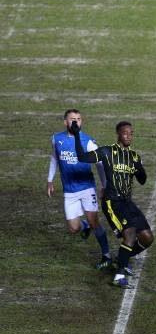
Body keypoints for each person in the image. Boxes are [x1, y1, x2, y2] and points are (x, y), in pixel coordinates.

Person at [71, 120, 153, 289]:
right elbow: (82, 157)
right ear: (118, 134)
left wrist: (140, 169)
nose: (129, 136)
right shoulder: (106, 151)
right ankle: (119, 275)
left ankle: (120, 260)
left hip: (128, 203)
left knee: (147, 238)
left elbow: (143, 180)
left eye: (131, 133)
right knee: (129, 235)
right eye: (125, 133)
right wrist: (77, 134)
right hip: (112, 202)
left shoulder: (134, 156)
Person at [47, 109, 112, 269]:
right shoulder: (57, 139)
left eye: (78, 119)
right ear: (65, 122)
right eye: (72, 119)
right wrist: (49, 180)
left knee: (94, 221)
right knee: (74, 228)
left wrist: (104, 186)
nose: (76, 122)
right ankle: (85, 226)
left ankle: (107, 256)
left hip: (86, 188)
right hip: (69, 191)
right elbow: (55, 158)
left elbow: (100, 164)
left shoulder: (88, 142)